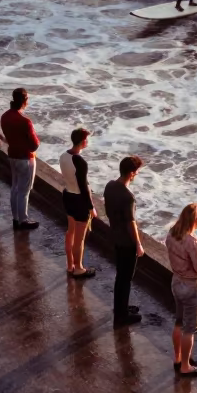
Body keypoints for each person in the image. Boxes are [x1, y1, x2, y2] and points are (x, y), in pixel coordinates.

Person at [165, 203, 197, 378]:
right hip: (192, 287)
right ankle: (186, 366)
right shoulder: (193, 243)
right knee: (189, 329)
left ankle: (177, 358)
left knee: (179, 322)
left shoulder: (171, 234)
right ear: (196, 220)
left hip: (176, 281)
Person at [103, 156, 144, 325]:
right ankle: (121, 315)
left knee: (120, 275)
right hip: (127, 242)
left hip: (115, 236)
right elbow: (131, 223)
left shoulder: (110, 186)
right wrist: (138, 244)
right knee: (125, 278)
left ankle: (121, 307)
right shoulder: (128, 197)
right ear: (132, 174)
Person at [0, 88, 40, 229]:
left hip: (12, 155)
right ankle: (23, 220)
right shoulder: (25, 121)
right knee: (24, 190)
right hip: (25, 158)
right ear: (24, 101)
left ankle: (15, 218)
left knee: (15, 187)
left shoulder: (5, 116)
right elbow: (35, 145)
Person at [58, 127, 96, 276]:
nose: (88, 141)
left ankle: (70, 266)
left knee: (70, 232)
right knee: (79, 239)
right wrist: (91, 207)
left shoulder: (63, 156)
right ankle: (79, 268)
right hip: (79, 200)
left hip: (68, 195)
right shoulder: (80, 162)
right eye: (87, 139)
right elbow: (83, 186)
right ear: (82, 141)